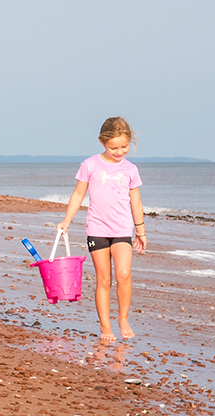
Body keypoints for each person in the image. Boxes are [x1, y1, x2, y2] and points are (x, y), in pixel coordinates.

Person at [56, 116, 147, 341]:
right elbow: (79, 194)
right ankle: (106, 326)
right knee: (103, 279)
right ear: (102, 142)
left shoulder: (130, 169)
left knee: (124, 275)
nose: (119, 152)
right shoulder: (90, 164)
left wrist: (141, 231)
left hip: (122, 231)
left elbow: (136, 201)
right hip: (96, 229)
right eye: (114, 147)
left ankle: (123, 319)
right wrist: (66, 221)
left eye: (124, 147)